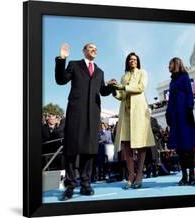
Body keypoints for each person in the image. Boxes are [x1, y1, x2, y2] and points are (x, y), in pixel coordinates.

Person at [55, 43, 114, 201]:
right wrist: (62, 59)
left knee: (89, 149)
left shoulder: (100, 72)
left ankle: (86, 184)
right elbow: (60, 80)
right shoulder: (74, 65)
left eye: (96, 48)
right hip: (76, 111)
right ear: (84, 51)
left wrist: (111, 86)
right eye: (90, 47)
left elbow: (102, 91)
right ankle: (70, 185)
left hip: (93, 113)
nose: (94, 49)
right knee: (71, 149)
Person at [111, 52, 155, 189]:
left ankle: (140, 174)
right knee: (126, 144)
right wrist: (114, 90)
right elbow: (121, 95)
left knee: (141, 144)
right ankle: (131, 174)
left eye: (135, 59)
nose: (132, 61)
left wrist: (122, 87)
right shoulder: (124, 76)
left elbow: (141, 88)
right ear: (127, 62)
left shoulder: (142, 72)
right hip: (126, 112)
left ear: (138, 61)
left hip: (139, 111)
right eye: (130, 59)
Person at [165, 57, 195, 186]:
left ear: (176, 64)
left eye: (170, 63)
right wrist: (168, 113)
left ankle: (192, 175)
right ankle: (184, 175)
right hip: (175, 115)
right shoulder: (172, 81)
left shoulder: (184, 77)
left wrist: (189, 108)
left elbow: (190, 93)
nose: (168, 66)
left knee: (188, 146)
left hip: (184, 114)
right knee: (179, 147)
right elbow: (170, 99)